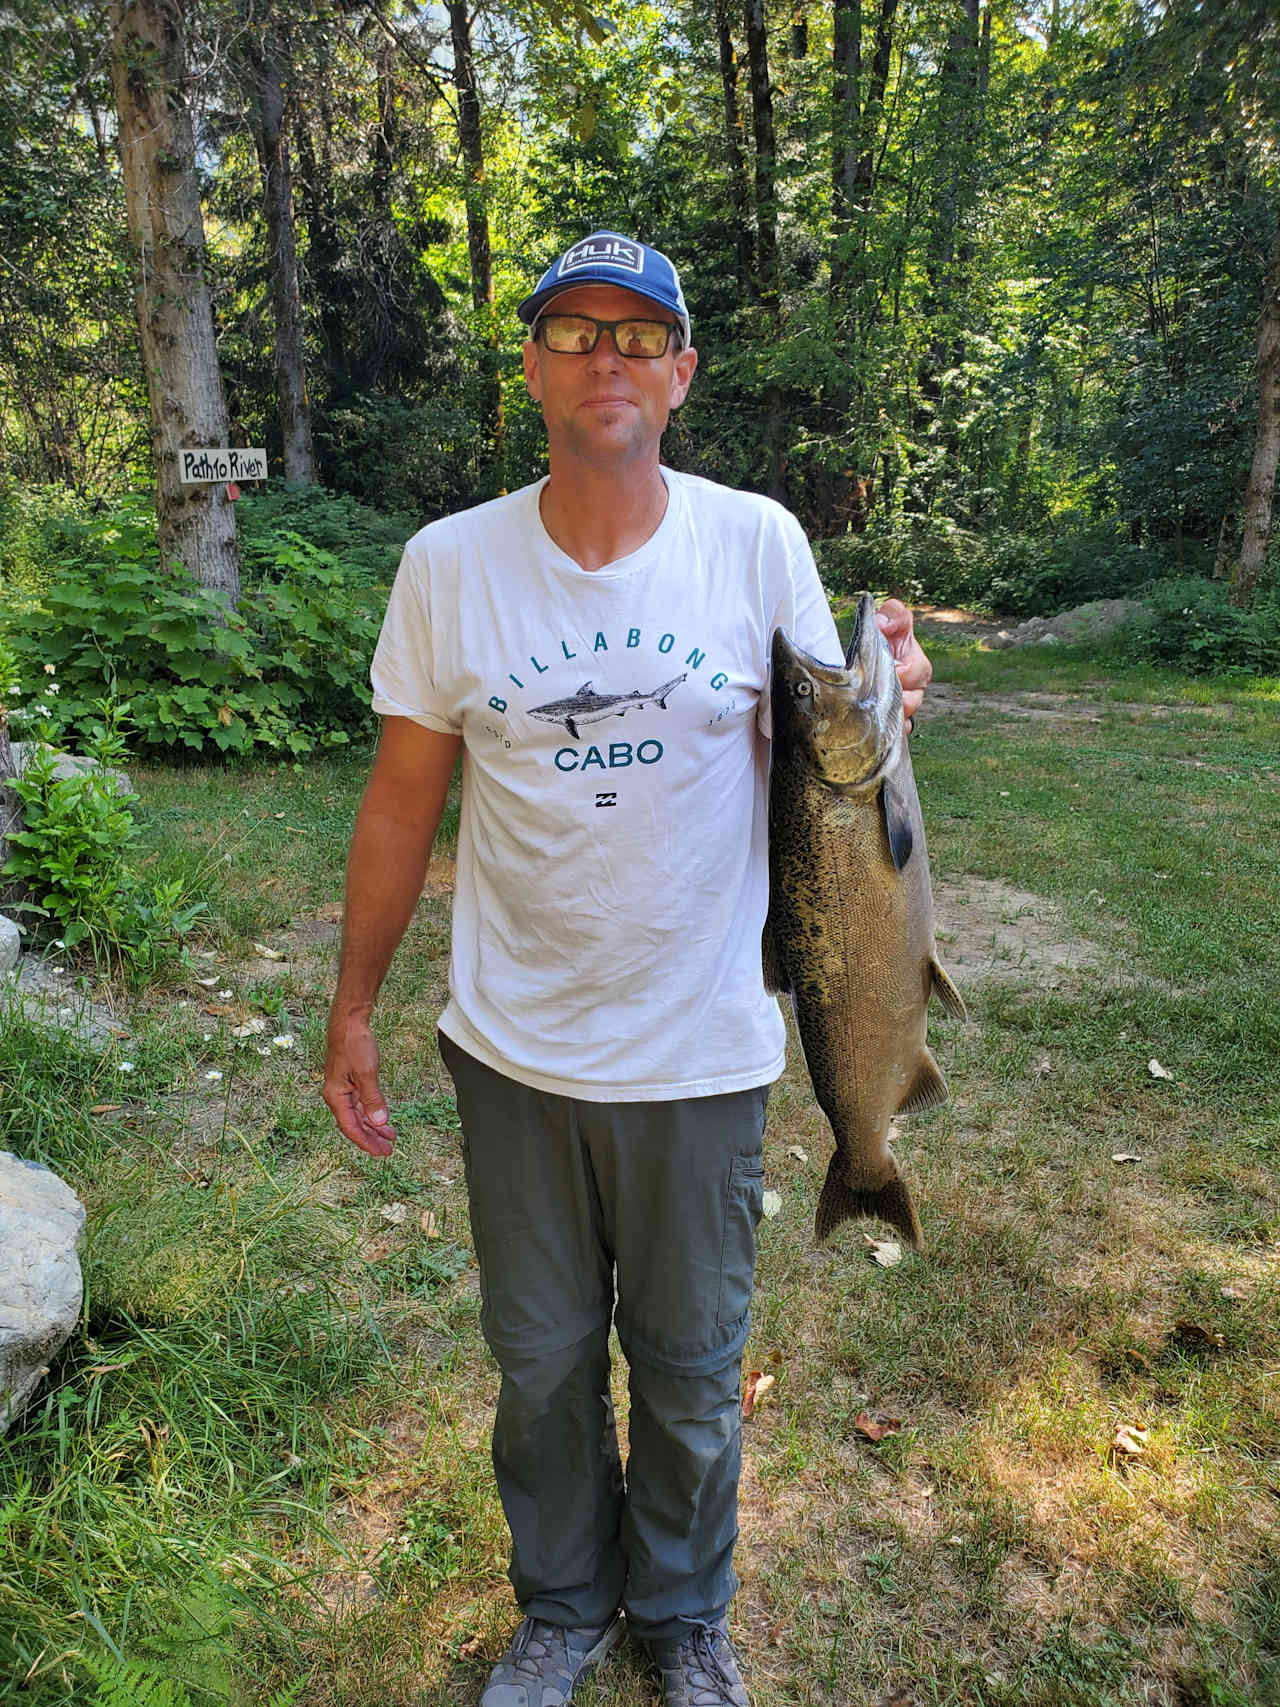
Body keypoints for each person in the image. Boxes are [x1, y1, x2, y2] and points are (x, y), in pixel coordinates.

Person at [323, 231, 932, 1707]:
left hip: (702, 1050)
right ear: (532, 367)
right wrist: (351, 1008)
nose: (608, 356)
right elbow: (405, 801)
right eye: (576, 331)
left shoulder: (753, 540)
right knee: (540, 1369)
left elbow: (829, 763)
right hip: (513, 1050)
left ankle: (680, 1614)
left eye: (639, 334)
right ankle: (562, 1606)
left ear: (682, 373)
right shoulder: (450, 565)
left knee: (687, 1367)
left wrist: (900, 694)